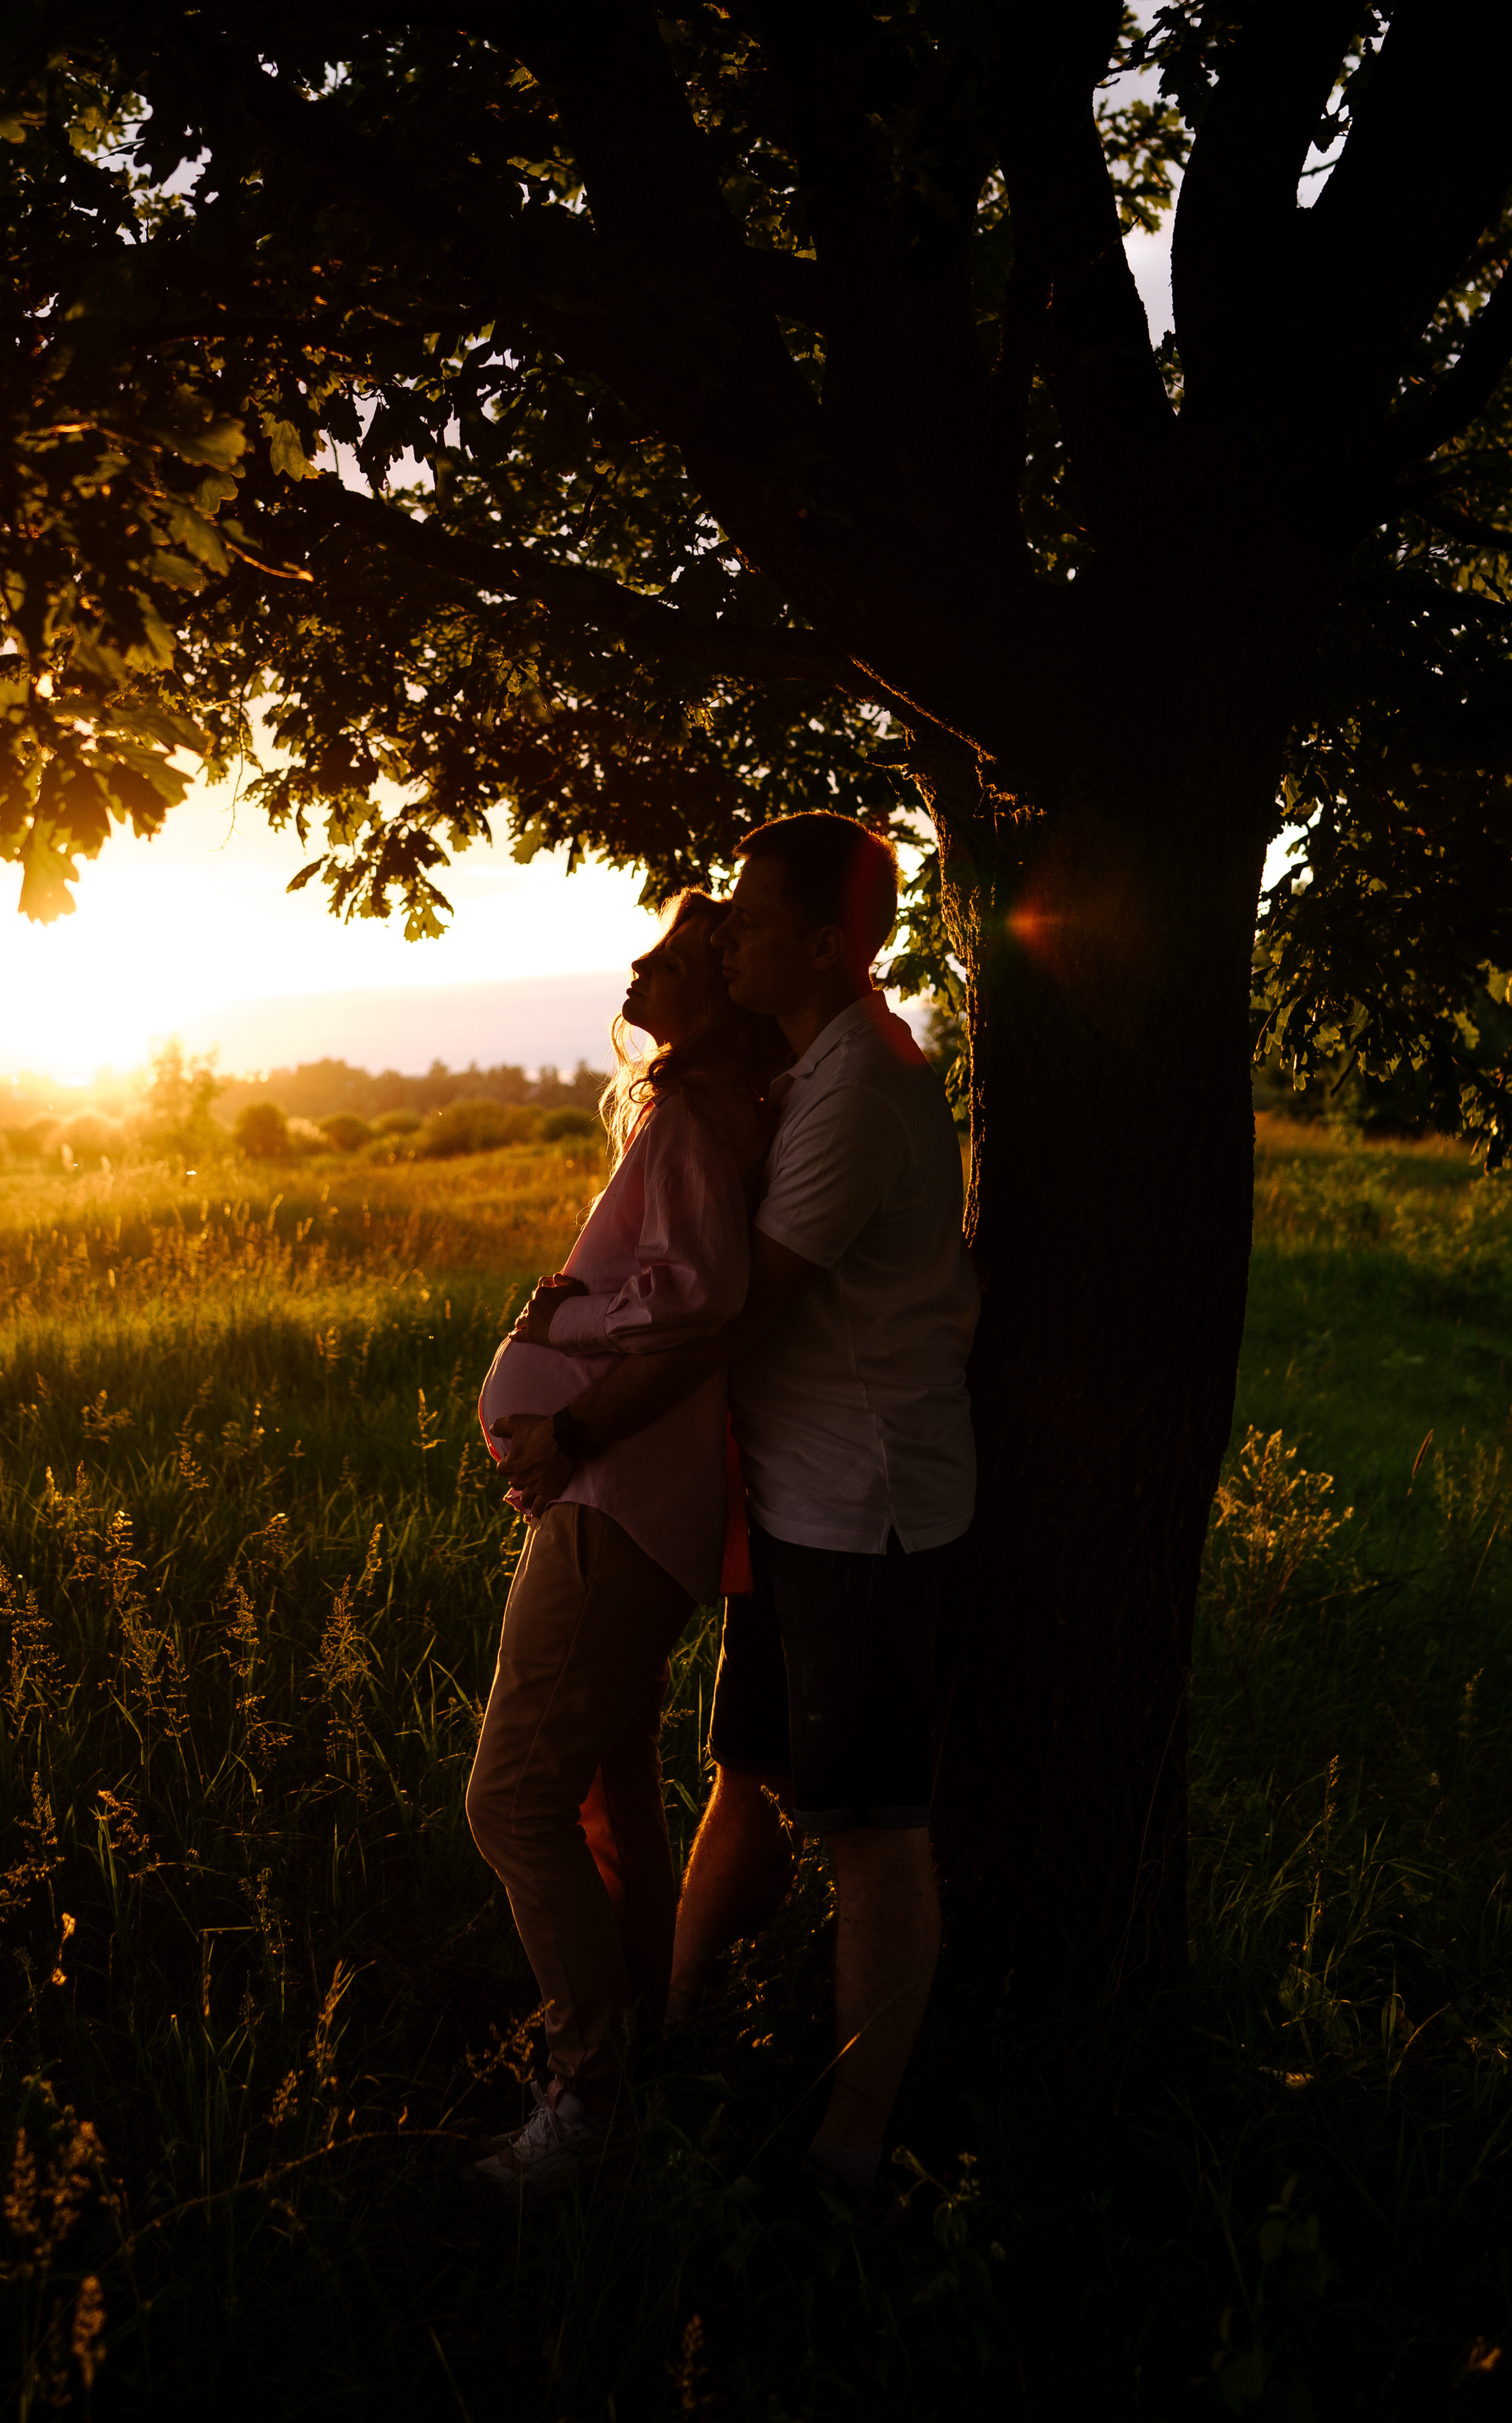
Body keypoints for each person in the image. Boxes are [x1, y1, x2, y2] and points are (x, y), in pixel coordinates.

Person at [499, 812, 977, 2197]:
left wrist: (576, 1411)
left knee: (873, 1833)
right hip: (796, 1498)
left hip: (867, 1510)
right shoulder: (810, 1076)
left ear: (826, 947)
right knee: (753, 1777)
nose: (728, 937)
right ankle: (674, 2019)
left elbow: (726, 1309)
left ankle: (845, 2147)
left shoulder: (851, 1094)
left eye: (750, 925)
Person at [465, 892, 783, 2195]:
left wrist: (570, 1421)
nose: (639, 966)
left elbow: (700, 1312)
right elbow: (659, 1286)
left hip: (620, 1494)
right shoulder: (689, 1109)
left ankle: (589, 2093)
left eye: (670, 954)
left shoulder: (705, 1111)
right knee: (604, 1788)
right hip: (617, 1492)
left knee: (513, 1800)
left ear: (721, 985)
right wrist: (567, 1306)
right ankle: (640, 2042)